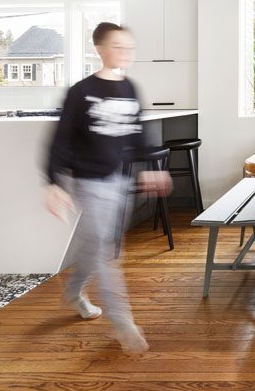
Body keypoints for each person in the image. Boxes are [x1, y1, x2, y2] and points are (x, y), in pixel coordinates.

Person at [45, 21, 169, 353]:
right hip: (86, 180)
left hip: (118, 179)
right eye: (119, 46)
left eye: (130, 47)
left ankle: (73, 293)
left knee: (95, 245)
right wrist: (53, 184)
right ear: (100, 49)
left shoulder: (129, 88)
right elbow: (59, 141)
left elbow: (137, 132)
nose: (126, 53)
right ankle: (122, 322)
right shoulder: (81, 91)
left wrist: (152, 169)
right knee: (106, 251)